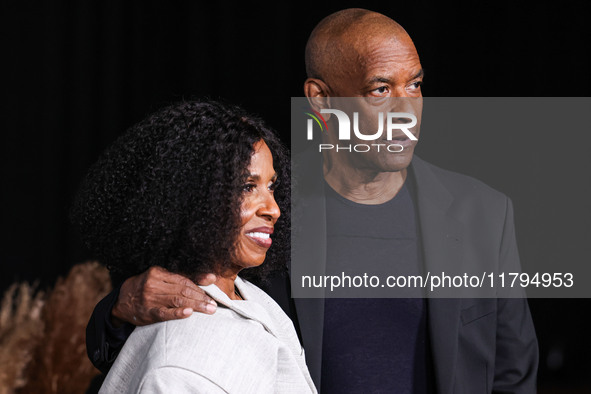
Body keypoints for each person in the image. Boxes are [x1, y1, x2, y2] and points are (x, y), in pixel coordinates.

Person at [86, 9, 538, 393]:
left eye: (415, 86)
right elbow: (159, 341)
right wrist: (122, 306)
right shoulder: (257, 211)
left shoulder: (483, 212)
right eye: (380, 89)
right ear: (320, 101)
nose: (407, 111)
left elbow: (513, 374)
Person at [72, 100, 316, 393]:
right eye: (247, 186)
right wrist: (118, 310)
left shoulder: (257, 299)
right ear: (195, 198)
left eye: (271, 186)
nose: (274, 209)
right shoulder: (179, 356)